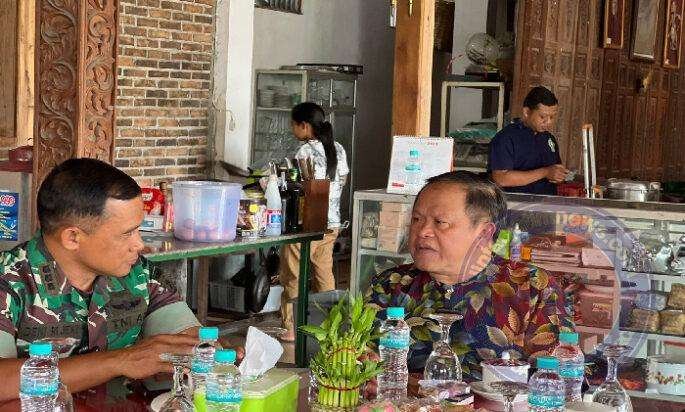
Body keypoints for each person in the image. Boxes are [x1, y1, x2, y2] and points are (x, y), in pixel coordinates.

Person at [0, 158, 202, 401]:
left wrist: (205, 353)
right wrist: (121, 361)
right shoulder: (10, 281)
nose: (139, 244)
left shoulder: (139, 274)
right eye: (127, 233)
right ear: (72, 238)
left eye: (138, 230)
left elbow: (187, 338)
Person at [366, 171, 574, 381]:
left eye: (440, 222)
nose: (422, 231)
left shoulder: (533, 287)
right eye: (417, 219)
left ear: (484, 233)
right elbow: (362, 361)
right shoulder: (391, 284)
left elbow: (558, 382)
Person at [279, 102, 349, 341]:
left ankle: (290, 327)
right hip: (332, 223)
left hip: (307, 224)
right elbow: (342, 181)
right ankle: (331, 325)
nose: (292, 129)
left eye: (294, 124)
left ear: (305, 126)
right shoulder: (338, 148)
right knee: (323, 273)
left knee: (293, 275)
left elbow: (297, 188)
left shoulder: (304, 152)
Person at [488, 86, 569, 195]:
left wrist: (559, 175)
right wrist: (545, 172)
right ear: (526, 112)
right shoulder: (505, 138)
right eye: (542, 117)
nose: (548, 122)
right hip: (515, 204)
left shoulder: (549, 139)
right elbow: (501, 179)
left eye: (552, 117)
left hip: (546, 203)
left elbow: (555, 171)